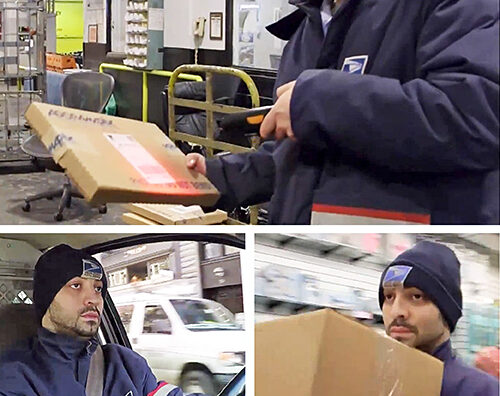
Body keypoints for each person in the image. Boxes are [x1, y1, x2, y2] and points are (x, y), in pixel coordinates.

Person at [187, 0, 499, 225]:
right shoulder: (306, 30)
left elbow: (473, 116)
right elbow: (296, 158)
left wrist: (320, 100)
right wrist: (219, 178)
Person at [0, 244, 205, 396]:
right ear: (48, 297)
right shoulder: (14, 374)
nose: (93, 300)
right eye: (76, 286)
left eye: (98, 289)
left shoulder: (126, 363)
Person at [378, 241, 500, 396]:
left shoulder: (482, 391)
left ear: (446, 310)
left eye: (416, 296)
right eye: (389, 297)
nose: (396, 311)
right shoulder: (376, 381)